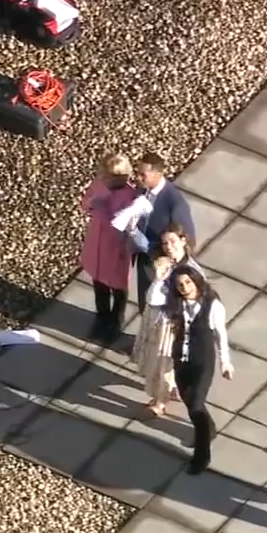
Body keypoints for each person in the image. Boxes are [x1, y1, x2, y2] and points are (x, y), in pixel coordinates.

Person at [166, 265, 234, 475]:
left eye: (188, 282)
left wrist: (225, 361)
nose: (185, 288)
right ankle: (209, 429)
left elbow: (220, 334)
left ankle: (202, 457)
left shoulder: (212, 305)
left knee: (196, 407)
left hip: (202, 362)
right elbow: (153, 299)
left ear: (196, 281)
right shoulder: (176, 304)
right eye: (180, 285)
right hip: (181, 360)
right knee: (190, 403)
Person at [131, 223, 203, 416]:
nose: (169, 247)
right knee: (169, 362)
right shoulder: (168, 265)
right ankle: (173, 389)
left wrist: (160, 279)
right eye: (165, 243)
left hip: (173, 323)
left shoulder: (189, 271)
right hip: (161, 319)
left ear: (183, 240)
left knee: (163, 362)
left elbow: (158, 298)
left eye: (172, 241)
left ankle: (160, 401)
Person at [130, 152, 196, 315]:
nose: (137, 178)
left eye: (142, 174)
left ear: (158, 174)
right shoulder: (142, 191)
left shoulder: (175, 204)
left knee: (159, 308)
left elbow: (189, 240)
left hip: (162, 262)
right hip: (145, 258)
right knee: (145, 303)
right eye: (137, 173)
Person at [80, 153, 135, 343]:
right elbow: (86, 203)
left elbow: (121, 227)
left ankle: (115, 323)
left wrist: (102, 209)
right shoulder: (100, 185)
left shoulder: (130, 196)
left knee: (118, 288)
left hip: (116, 248)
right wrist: (91, 203)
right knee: (99, 283)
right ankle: (101, 318)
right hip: (97, 243)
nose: (104, 180)